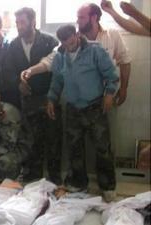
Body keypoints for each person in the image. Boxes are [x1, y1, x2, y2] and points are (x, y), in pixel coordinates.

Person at [47, 25, 119, 202]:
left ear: (77, 34)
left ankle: (108, 187)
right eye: (64, 41)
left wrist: (109, 93)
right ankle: (79, 183)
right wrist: (51, 99)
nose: (68, 43)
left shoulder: (95, 50)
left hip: (95, 106)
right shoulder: (60, 56)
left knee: (103, 149)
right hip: (73, 109)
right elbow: (57, 81)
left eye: (70, 38)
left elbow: (111, 75)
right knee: (74, 149)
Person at [6, 7, 62, 185]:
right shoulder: (13, 45)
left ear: (33, 22)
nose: (19, 26)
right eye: (17, 23)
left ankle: (54, 179)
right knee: (31, 141)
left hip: (48, 99)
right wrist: (18, 83)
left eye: (22, 22)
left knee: (53, 140)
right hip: (28, 101)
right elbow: (8, 71)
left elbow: (58, 72)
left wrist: (52, 97)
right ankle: (33, 180)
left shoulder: (49, 42)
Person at [77, 3, 131, 106]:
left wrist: (124, 89)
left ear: (94, 18)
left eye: (81, 17)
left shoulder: (112, 34)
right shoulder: (75, 39)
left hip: (108, 96)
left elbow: (125, 61)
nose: (77, 21)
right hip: (82, 99)